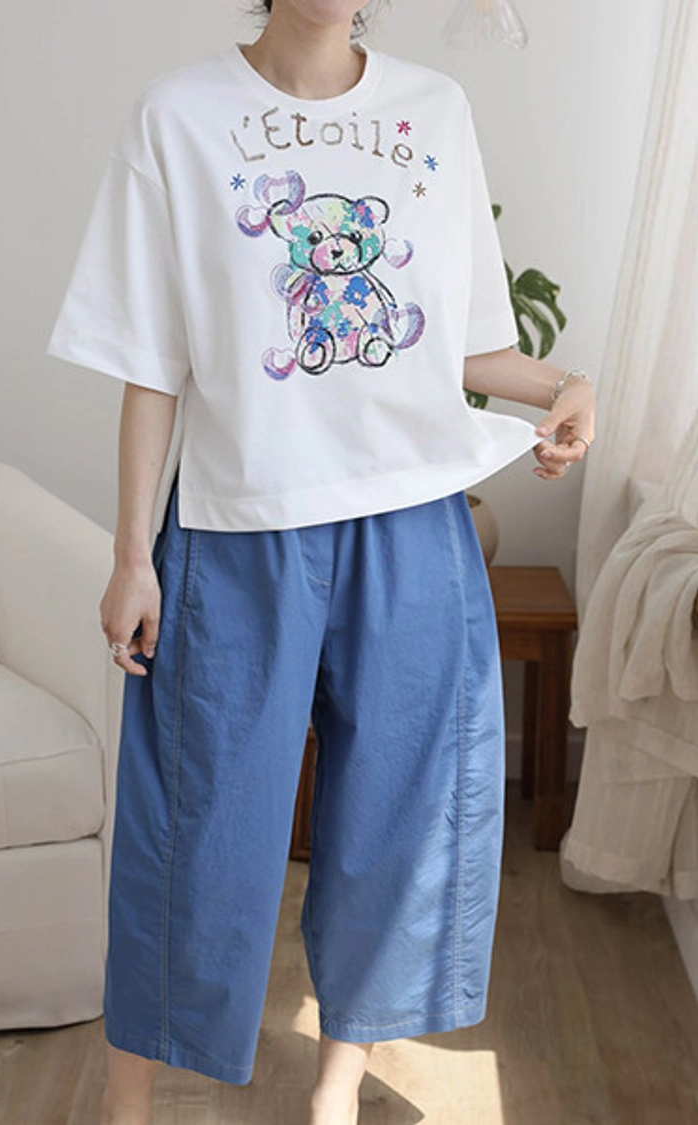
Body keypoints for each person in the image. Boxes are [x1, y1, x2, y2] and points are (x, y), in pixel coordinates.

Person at [46, 2, 596, 1122]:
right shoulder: (178, 115)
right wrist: (131, 552)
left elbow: (467, 343)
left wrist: (565, 387)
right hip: (238, 522)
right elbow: (152, 359)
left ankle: (336, 1092)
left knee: (401, 813)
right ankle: (126, 1098)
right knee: (195, 822)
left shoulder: (436, 109)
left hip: (413, 521)